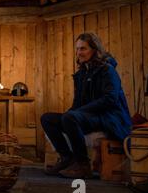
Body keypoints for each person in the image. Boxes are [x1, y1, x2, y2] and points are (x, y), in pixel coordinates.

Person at [41, 32, 132, 178]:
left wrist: (77, 113)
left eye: (83, 49)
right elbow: (77, 104)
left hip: (108, 117)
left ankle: (83, 164)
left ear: (94, 49)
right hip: (88, 116)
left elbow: (110, 99)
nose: (79, 53)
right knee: (47, 118)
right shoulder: (82, 74)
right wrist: (68, 114)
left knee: (71, 117)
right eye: (77, 49)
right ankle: (67, 158)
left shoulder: (107, 70)